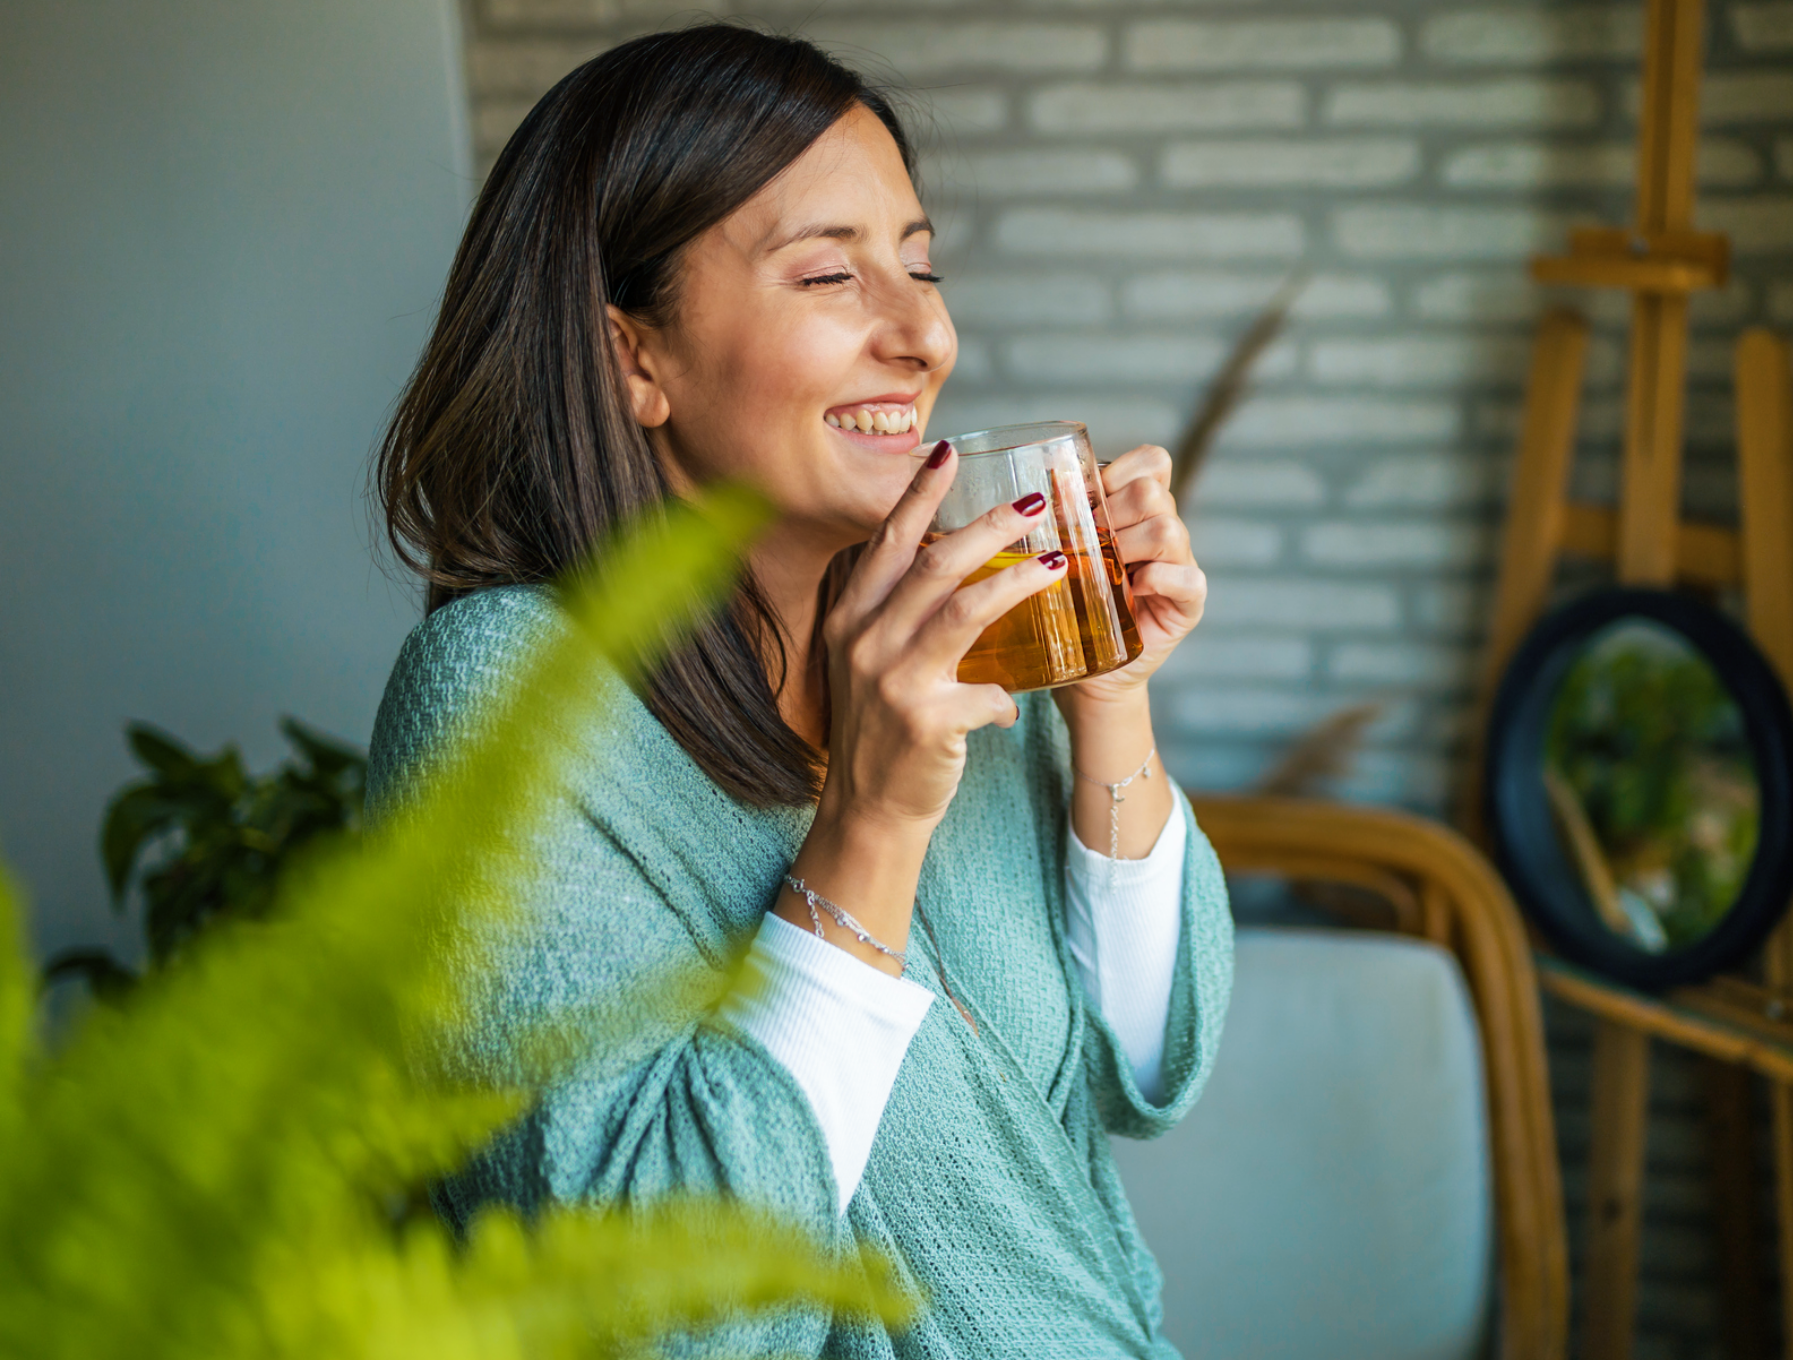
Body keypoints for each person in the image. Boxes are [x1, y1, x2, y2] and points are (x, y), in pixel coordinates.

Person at [364, 24, 1229, 1358]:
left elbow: (1141, 1066)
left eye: (922, 266)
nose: (925, 332)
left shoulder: (927, 638)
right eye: (831, 273)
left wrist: (1106, 696)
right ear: (632, 357)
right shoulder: (504, 698)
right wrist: (874, 825)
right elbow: (649, 1314)